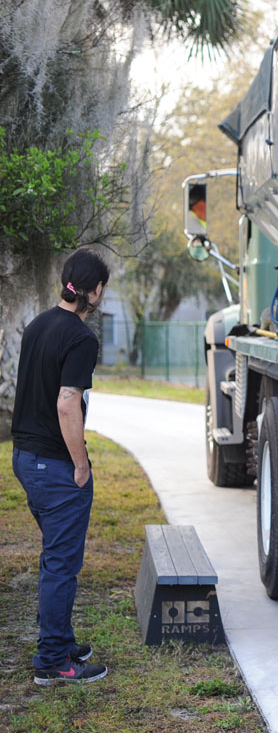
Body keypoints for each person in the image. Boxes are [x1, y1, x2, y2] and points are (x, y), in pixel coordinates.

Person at [11, 249, 110, 686]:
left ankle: (59, 638)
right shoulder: (81, 338)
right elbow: (67, 403)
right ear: (96, 290)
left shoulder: (37, 324)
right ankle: (52, 660)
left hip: (24, 459)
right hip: (55, 466)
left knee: (55, 556)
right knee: (61, 563)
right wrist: (81, 465)